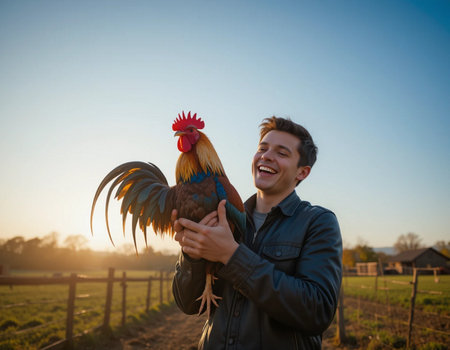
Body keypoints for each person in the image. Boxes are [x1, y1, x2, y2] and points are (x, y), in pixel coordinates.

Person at [172, 116, 342, 349]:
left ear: (302, 172)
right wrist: (192, 253)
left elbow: (317, 312)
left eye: (282, 153)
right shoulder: (222, 214)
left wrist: (231, 255)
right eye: (262, 148)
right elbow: (188, 304)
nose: (267, 156)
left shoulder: (317, 222)